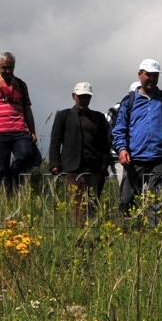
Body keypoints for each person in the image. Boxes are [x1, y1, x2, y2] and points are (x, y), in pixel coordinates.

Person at [111, 60, 162, 221]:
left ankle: (155, 237)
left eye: (155, 75)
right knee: (127, 201)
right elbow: (119, 128)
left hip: (160, 159)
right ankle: (126, 236)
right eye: (148, 75)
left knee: (157, 204)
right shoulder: (129, 101)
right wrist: (122, 149)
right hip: (134, 159)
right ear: (140, 75)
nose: (151, 79)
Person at [0, 51, 38, 193]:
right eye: (4, 68)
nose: (8, 70)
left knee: (26, 155)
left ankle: (12, 178)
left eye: (10, 67)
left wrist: (32, 131)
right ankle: (5, 197)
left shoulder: (21, 85)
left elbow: (27, 109)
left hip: (20, 129)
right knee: (0, 166)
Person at [48, 81, 113, 219]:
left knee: (93, 202)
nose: (83, 100)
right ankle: (81, 233)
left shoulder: (99, 118)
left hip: (94, 167)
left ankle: (90, 232)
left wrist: (103, 165)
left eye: (87, 97)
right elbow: (55, 141)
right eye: (81, 96)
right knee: (79, 201)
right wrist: (54, 163)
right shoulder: (63, 116)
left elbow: (105, 143)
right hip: (72, 167)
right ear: (74, 96)